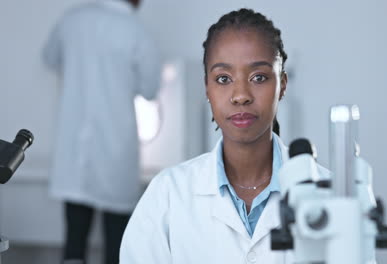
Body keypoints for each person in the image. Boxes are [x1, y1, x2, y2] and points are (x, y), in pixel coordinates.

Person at [120, 8, 328, 263]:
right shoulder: (168, 194)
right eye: (223, 78)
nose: (241, 95)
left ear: (282, 85)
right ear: (207, 88)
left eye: (259, 77)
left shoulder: (331, 195)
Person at [42, 0, 160, 263]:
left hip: (74, 148)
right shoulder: (135, 30)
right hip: (115, 146)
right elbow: (150, 89)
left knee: (74, 239)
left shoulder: (72, 20)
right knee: (118, 242)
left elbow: (49, 57)